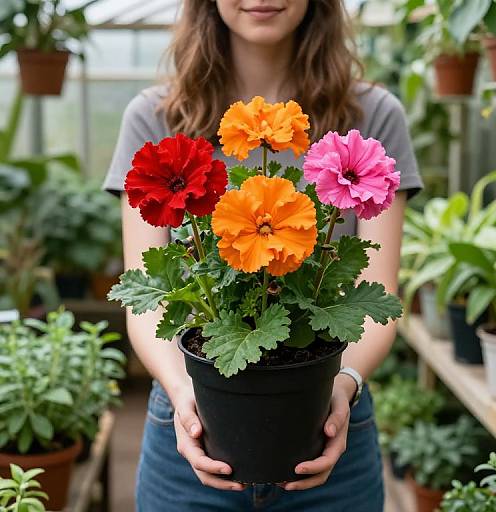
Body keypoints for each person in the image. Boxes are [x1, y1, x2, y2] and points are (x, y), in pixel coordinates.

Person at [103, 1, 423, 511]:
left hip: (329, 424)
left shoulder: (373, 116)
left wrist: (344, 385)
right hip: (189, 430)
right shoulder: (154, 117)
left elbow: (379, 297)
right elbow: (147, 297)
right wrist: (185, 396)